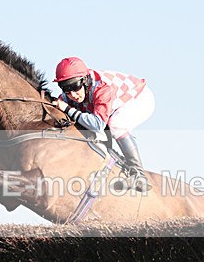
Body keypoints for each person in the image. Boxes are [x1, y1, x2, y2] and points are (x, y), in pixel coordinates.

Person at [53, 57, 155, 192]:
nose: (72, 94)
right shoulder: (68, 96)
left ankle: (139, 176)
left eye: (75, 86)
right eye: (66, 88)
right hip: (113, 107)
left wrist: (67, 109)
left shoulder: (102, 88)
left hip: (140, 98)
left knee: (115, 125)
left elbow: (98, 124)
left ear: (85, 80)